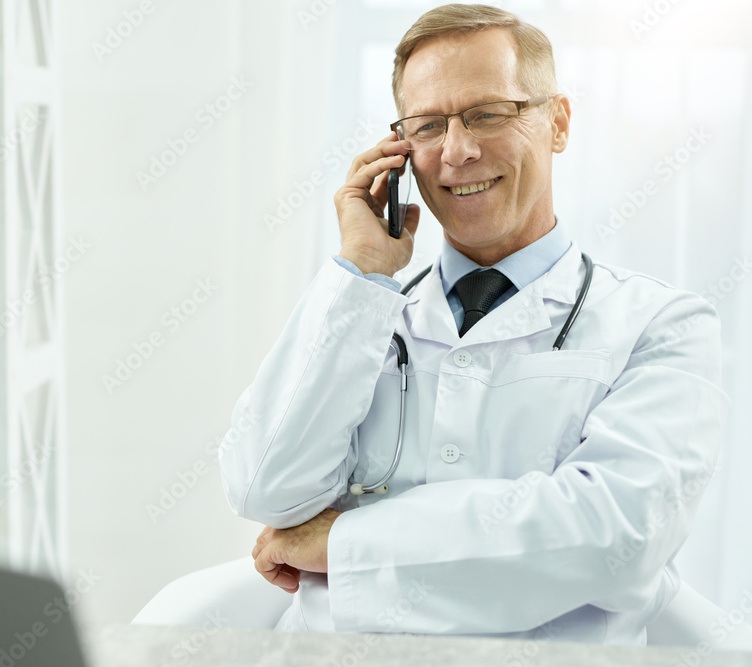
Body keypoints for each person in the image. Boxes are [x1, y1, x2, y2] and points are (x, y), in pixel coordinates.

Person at [217, 3, 729, 645]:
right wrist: (361, 274)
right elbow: (265, 488)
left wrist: (344, 543)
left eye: (487, 114)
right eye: (428, 126)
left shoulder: (663, 325)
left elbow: (613, 536)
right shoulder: (363, 314)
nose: (457, 151)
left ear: (558, 122)